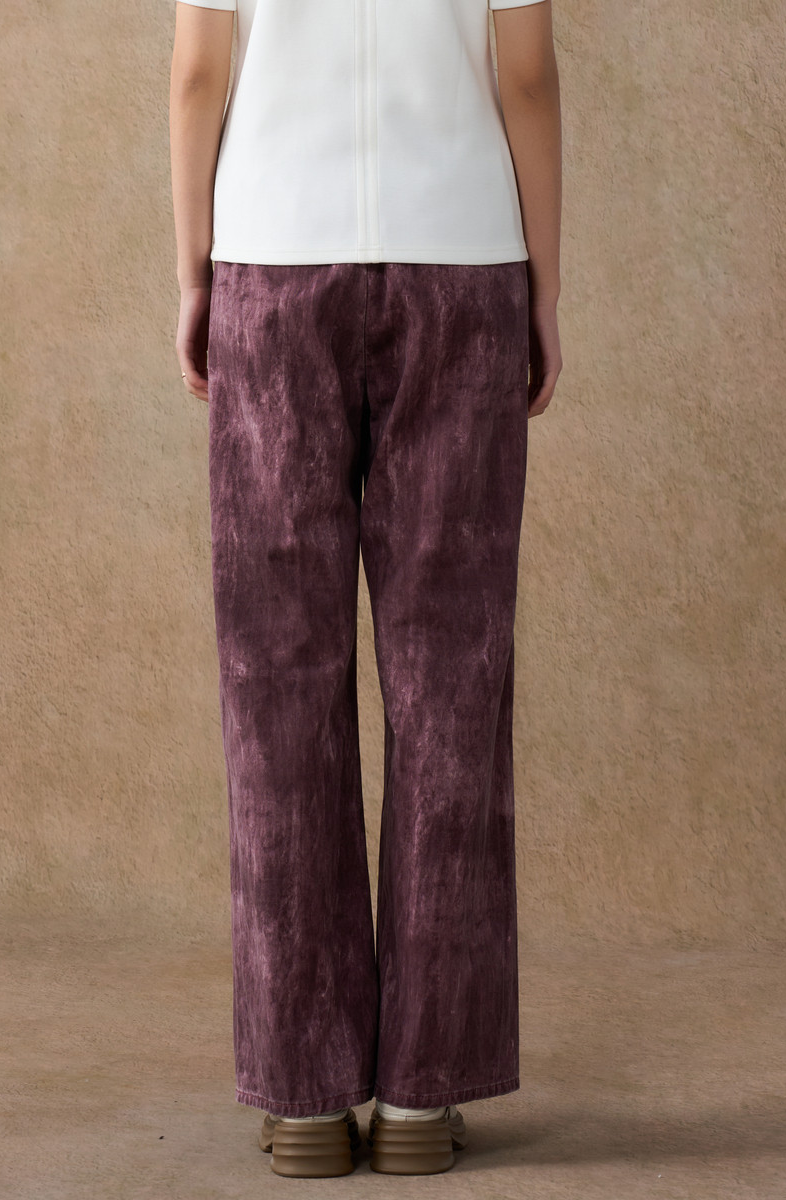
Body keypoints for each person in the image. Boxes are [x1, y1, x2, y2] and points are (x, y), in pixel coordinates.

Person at [168, 0, 562, 1178]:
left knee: (274, 683)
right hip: (465, 264)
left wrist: (193, 276)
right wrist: (545, 290)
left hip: (273, 261)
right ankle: (421, 1104)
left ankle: (304, 1100)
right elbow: (527, 77)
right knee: (454, 681)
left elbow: (197, 74)